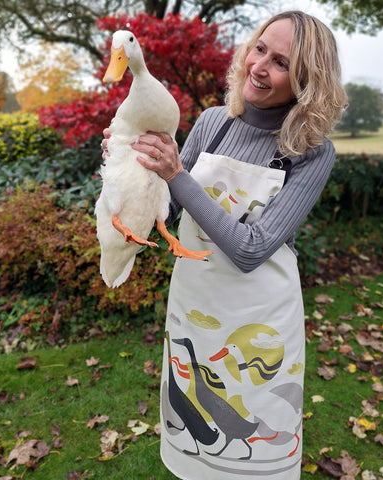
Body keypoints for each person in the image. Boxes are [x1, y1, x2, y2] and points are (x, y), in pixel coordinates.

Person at [103, 10, 347, 479]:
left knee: (250, 454)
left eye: (281, 63)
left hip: (258, 333)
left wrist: (176, 174)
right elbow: (169, 213)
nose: (260, 66)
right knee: (195, 439)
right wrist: (129, 171)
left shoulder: (310, 153)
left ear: (307, 81)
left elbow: (251, 249)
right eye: (260, 49)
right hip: (194, 308)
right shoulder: (215, 122)